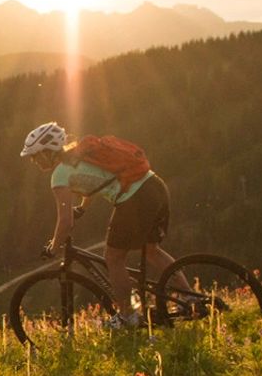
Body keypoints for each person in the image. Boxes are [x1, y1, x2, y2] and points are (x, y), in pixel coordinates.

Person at [18, 121, 172, 328]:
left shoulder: (59, 175)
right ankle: (193, 300)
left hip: (134, 199)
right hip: (154, 186)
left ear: (48, 151)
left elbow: (65, 221)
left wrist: (54, 247)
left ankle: (128, 316)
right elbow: (93, 183)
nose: (35, 161)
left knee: (113, 258)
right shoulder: (79, 153)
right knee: (152, 251)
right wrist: (82, 207)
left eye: (36, 156)